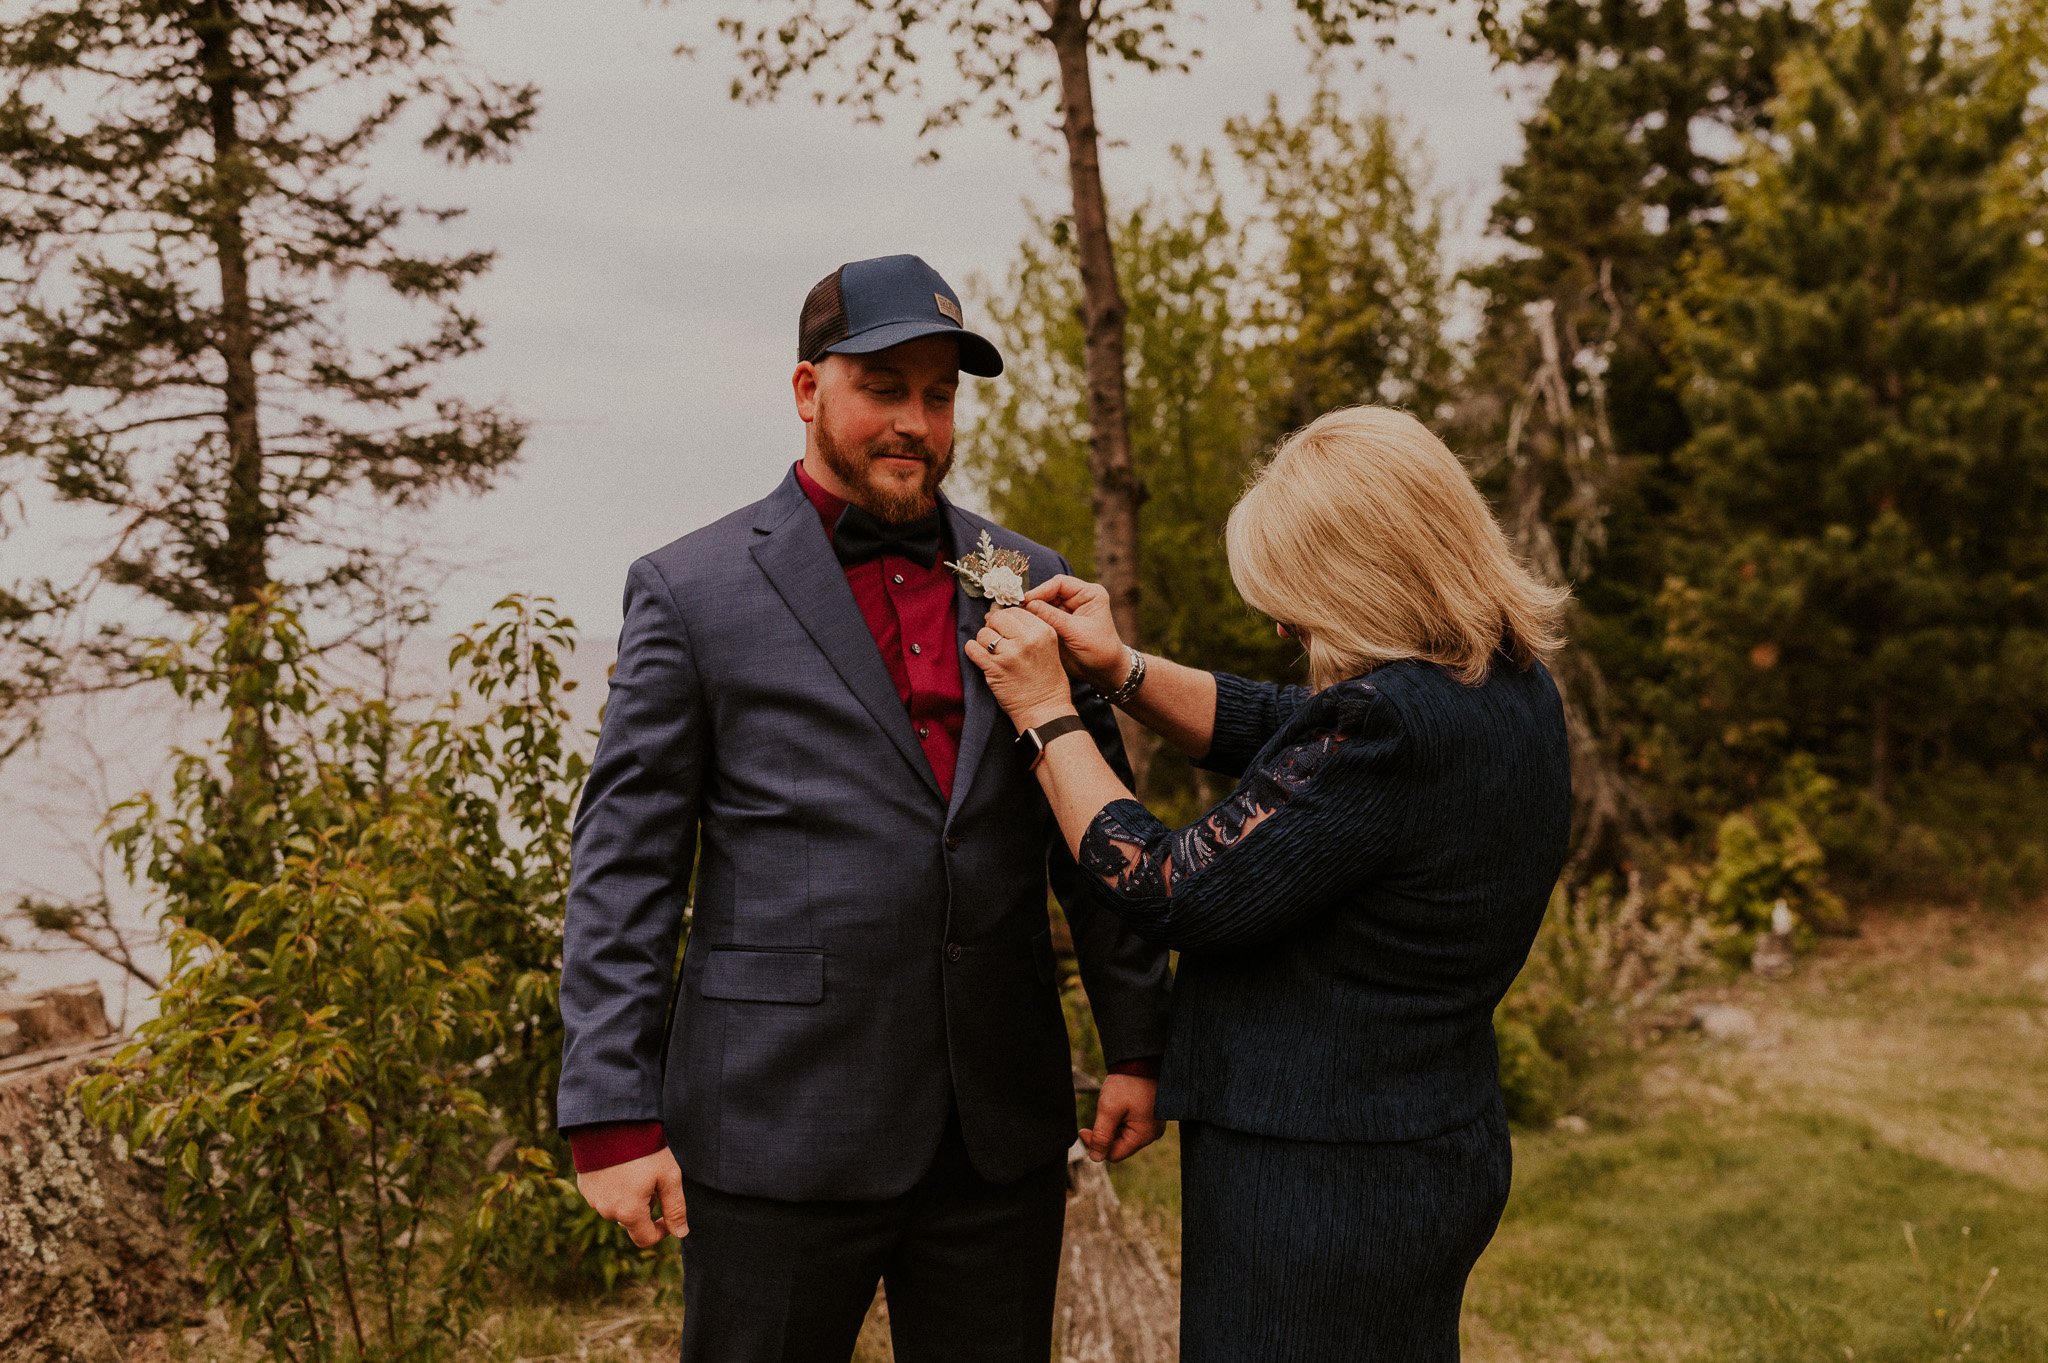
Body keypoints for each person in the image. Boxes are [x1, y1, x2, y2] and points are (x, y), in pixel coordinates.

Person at [556, 254, 1172, 1363]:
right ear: (807, 390)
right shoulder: (690, 589)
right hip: (774, 1126)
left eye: (938, 395)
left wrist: (1138, 1042)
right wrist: (609, 1110)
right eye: (883, 386)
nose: (915, 422)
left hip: (996, 1131)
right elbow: (625, 862)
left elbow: (1093, 829)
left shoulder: (1023, 574)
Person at [966, 405, 1574, 1363]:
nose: (1282, 620)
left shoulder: (1388, 729)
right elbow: (1287, 724)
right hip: (1424, 1141)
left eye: (1293, 594)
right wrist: (1122, 670)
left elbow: (1169, 885)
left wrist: (1047, 715)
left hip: (1320, 1182)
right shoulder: (1506, 688)